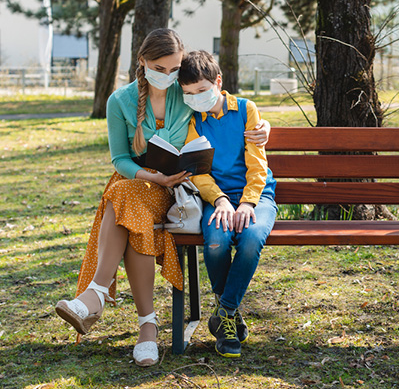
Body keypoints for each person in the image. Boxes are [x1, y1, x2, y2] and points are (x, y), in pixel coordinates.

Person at [55, 29, 270, 367]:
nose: (168, 76)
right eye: (160, 68)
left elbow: (220, 105)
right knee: (129, 200)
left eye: (174, 69)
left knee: (124, 202)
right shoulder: (119, 101)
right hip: (138, 182)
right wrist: (151, 175)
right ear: (142, 62)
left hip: (177, 191)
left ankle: (100, 297)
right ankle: (145, 327)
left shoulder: (182, 95)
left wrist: (265, 127)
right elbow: (120, 160)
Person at [178, 50, 277, 358]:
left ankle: (224, 312)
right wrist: (220, 200)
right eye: (189, 94)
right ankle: (229, 316)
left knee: (250, 239)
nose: (196, 98)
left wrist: (247, 203)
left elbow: (257, 165)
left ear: (218, 82)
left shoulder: (246, 109)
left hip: (256, 196)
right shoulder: (192, 120)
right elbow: (199, 172)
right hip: (216, 198)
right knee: (217, 242)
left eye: (202, 90)